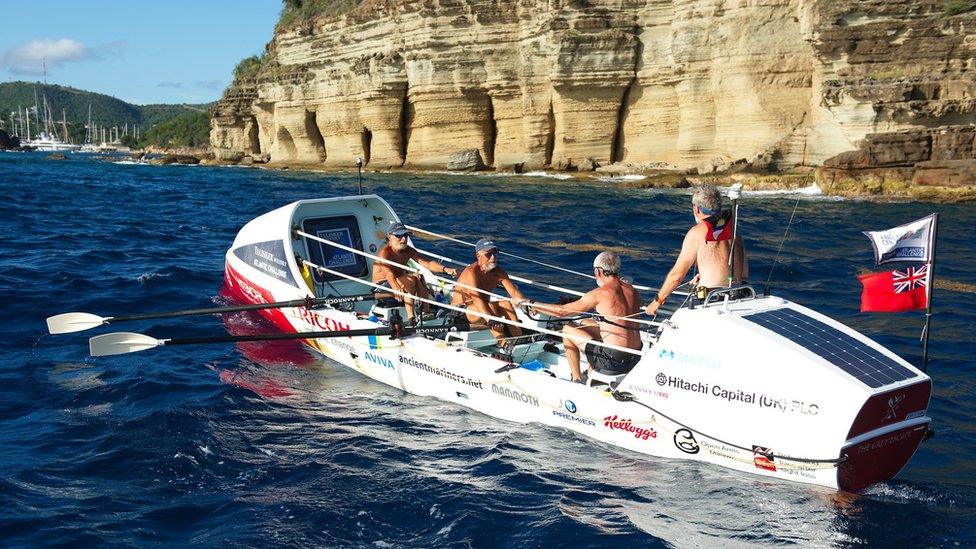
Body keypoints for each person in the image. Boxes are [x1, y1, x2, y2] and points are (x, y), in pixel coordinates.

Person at [519, 252, 642, 383]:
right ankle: (590, 370)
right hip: (636, 355)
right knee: (587, 323)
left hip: (614, 360)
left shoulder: (599, 294)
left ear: (598, 272)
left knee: (567, 329)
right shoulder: (632, 290)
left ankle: (576, 379)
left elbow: (561, 312)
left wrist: (531, 304)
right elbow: (623, 305)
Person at [645, 185, 748, 316]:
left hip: (710, 299)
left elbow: (677, 275)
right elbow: (743, 273)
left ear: (697, 209)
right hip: (738, 298)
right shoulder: (734, 231)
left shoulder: (697, 233)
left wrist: (657, 301)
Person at [373, 221, 459, 325]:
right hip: (381, 289)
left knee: (419, 277)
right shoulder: (385, 253)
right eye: (399, 236)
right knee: (411, 279)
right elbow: (388, 273)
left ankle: (425, 313)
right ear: (390, 237)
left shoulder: (408, 251)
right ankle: (412, 318)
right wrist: (396, 288)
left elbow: (427, 264)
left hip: (400, 285)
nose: (404, 239)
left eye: (405, 235)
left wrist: (446, 269)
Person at [451, 238, 526, 346]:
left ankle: (519, 339)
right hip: (460, 311)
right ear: (478, 256)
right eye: (488, 254)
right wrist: (490, 319)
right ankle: (504, 344)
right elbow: (477, 299)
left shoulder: (499, 272)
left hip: (482, 308)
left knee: (506, 304)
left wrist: (527, 305)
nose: (493, 257)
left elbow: (514, 292)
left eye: (495, 253)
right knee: (490, 307)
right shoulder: (471, 272)